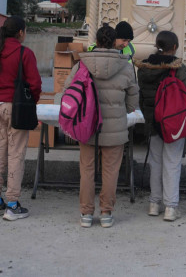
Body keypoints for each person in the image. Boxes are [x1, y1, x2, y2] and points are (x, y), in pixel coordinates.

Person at [59, 25, 138, 228]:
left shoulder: (83, 64)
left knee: (87, 170)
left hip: (87, 127)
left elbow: (67, 90)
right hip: (115, 130)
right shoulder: (126, 66)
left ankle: (86, 214)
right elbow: (132, 104)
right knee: (111, 172)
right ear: (114, 42)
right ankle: (106, 213)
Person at [135, 31, 186, 221]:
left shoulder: (144, 69)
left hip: (153, 123)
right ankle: (171, 207)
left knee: (156, 163)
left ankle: (154, 204)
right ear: (174, 47)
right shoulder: (178, 68)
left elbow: (143, 97)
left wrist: (148, 118)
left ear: (157, 45)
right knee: (172, 163)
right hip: (174, 123)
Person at [0, 16, 42, 220]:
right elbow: (35, 84)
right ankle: (12, 204)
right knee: (16, 155)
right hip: (16, 109)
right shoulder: (24, 53)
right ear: (20, 32)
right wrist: (31, 103)